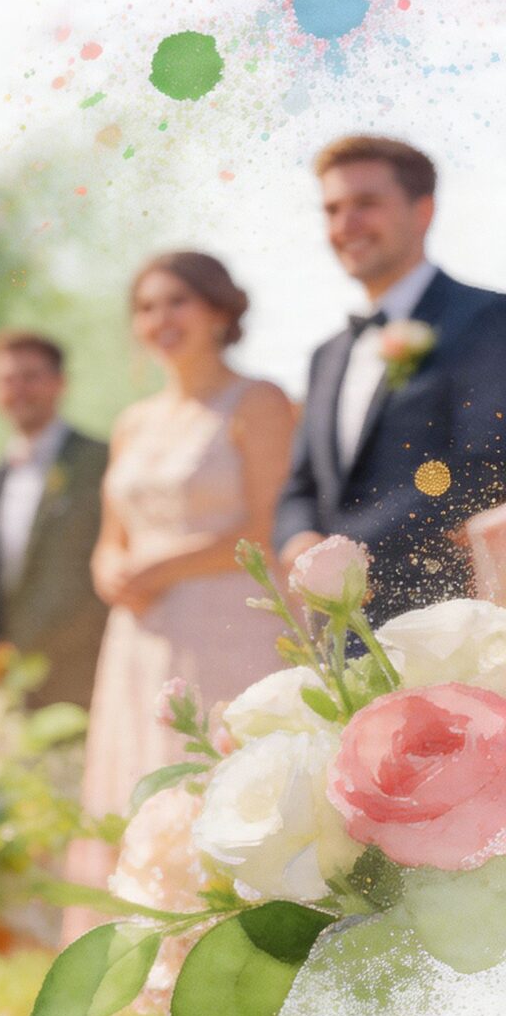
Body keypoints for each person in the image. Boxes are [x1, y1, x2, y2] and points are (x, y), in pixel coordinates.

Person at [68, 253, 297, 932]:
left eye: (177, 302)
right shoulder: (133, 422)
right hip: (140, 638)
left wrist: (161, 568)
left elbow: (267, 527)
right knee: (140, 774)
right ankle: (144, 950)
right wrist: (109, 568)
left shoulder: (258, 401)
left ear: (219, 311)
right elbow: (111, 537)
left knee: (216, 775)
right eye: (145, 307)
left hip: (229, 626)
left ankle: (231, 944)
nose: (159, 319)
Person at [279, 136, 506, 620]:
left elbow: (485, 465)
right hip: (340, 628)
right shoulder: (325, 357)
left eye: (366, 203)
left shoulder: (488, 320)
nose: (345, 225)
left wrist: (352, 546)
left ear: (423, 211)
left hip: (442, 618)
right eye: (332, 209)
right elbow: (302, 486)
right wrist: (300, 542)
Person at [0, 330, 110, 711]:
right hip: (14, 683)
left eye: (30, 377)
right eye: (6, 380)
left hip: (88, 672)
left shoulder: (100, 462)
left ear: (60, 383)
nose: (18, 390)